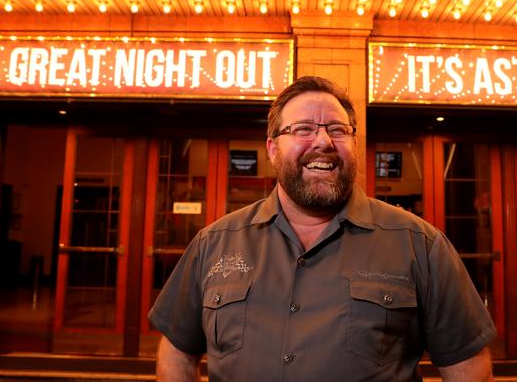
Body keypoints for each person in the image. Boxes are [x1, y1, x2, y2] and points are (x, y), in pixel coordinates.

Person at [149, 76, 496, 381]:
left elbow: (469, 369)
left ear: (354, 144)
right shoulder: (213, 243)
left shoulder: (421, 245)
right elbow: (177, 352)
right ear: (272, 148)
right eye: (303, 129)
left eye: (337, 129)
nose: (324, 142)